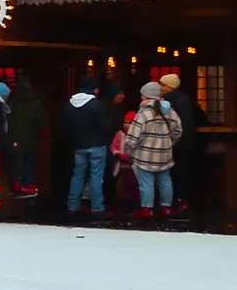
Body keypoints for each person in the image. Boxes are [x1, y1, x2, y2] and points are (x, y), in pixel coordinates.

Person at [123, 81, 184, 222]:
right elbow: (178, 131)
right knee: (165, 181)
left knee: (146, 182)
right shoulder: (170, 112)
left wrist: (129, 149)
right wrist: (169, 142)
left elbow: (133, 136)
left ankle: (147, 209)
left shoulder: (143, 114)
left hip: (145, 154)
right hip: (165, 154)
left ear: (146, 97)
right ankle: (166, 208)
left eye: (142, 96)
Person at [63, 75, 115, 218]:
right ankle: (97, 207)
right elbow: (105, 126)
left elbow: (66, 126)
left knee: (78, 175)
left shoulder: (70, 104)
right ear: (95, 89)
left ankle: (72, 205)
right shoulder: (97, 105)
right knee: (96, 177)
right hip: (97, 144)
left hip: (78, 146)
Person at [158, 72, 199, 213]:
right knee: (179, 172)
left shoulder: (173, 102)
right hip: (181, 143)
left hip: (177, 143)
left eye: (162, 84)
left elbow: (183, 124)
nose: (160, 87)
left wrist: (173, 138)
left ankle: (178, 200)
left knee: (178, 172)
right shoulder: (183, 99)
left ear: (169, 86)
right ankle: (178, 200)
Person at [6, 77, 43, 197]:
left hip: (15, 138)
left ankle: (17, 187)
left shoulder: (11, 101)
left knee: (16, 164)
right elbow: (40, 121)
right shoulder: (36, 102)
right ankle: (30, 187)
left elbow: (7, 119)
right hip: (31, 137)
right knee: (29, 163)